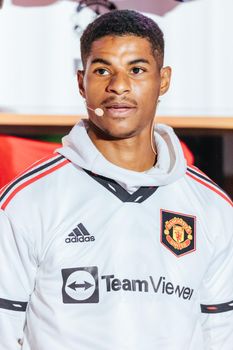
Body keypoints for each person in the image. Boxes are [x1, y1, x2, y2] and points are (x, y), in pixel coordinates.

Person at [0, 9, 232, 350]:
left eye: (136, 70)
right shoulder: (26, 201)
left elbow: (220, 330)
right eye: (102, 70)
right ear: (81, 82)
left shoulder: (212, 207)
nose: (118, 86)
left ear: (163, 80)